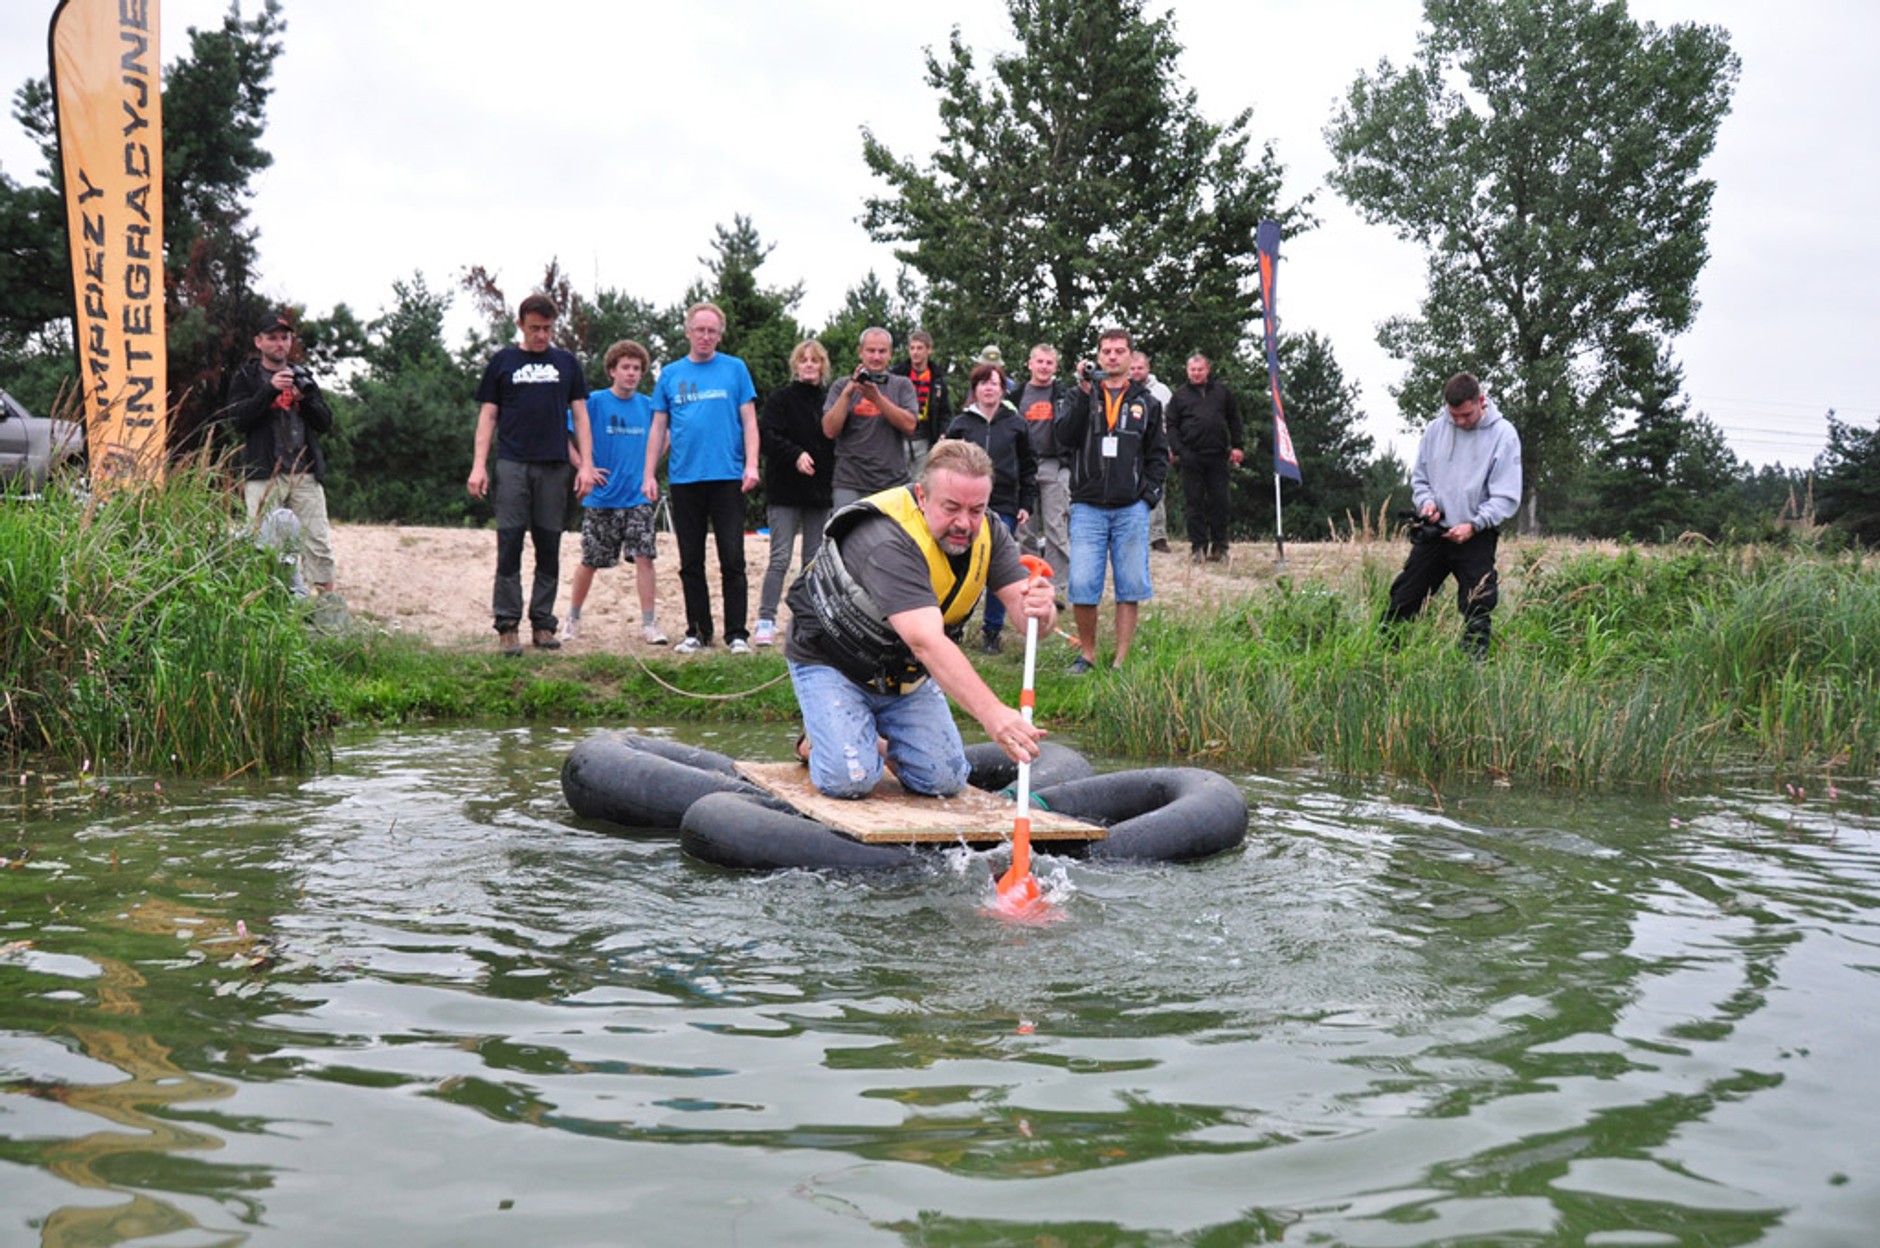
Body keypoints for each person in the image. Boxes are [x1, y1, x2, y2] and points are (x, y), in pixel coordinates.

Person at [783, 439, 1057, 800]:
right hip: (834, 662)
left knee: (945, 780)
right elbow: (925, 640)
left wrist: (1043, 608)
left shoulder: (991, 532)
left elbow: (1030, 622)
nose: (964, 523)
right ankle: (817, 740)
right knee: (850, 780)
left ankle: (871, 740)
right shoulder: (886, 539)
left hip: (902, 673)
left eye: (976, 509)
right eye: (951, 508)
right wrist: (994, 715)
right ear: (922, 497)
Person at [467, 294, 602, 656]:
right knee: (509, 543)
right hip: (512, 464)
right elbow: (488, 416)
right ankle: (507, 625)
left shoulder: (567, 363)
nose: (541, 335)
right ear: (520, 325)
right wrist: (479, 465)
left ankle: (543, 623)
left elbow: (581, 416)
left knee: (549, 546)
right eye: (535, 328)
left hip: (554, 466)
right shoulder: (503, 362)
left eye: (547, 329)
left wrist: (586, 465)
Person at [645, 301, 761, 655]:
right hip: (685, 478)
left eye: (712, 331)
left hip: (727, 476)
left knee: (732, 558)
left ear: (720, 335)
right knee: (690, 560)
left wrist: (752, 464)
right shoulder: (670, 374)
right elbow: (658, 427)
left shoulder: (735, 369)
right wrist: (648, 473)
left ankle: (737, 634)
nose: (705, 336)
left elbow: (749, 421)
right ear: (688, 332)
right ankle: (697, 631)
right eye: (700, 330)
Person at [1384, 372, 1523, 657]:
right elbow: (1420, 479)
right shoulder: (1435, 430)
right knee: (1404, 598)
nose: (1459, 421)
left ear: (1480, 401)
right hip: (1435, 533)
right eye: (1454, 415)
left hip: (1476, 534)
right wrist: (1427, 504)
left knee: (1478, 606)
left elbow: (1505, 495)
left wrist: (1474, 524)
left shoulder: (1503, 435)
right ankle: (1384, 657)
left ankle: (1473, 668)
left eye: (1466, 415)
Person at [1055, 327, 1168, 675]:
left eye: (1120, 351)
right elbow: (1063, 436)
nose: (1113, 356)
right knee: (1082, 583)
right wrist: (1083, 390)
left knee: (1129, 585)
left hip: (1130, 507)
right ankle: (1087, 655)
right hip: (1087, 505)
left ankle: (1121, 659)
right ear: (1098, 356)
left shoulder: (1146, 402)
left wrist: (1147, 497)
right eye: (1106, 351)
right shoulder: (1080, 395)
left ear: (1132, 357)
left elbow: (1158, 455)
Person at [563, 340, 667, 647]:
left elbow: (666, 434)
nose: (631, 373)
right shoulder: (594, 402)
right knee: (590, 560)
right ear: (612, 370)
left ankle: (649, 623)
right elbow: (563, 433)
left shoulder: (648, 406)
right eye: (625, 367)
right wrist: (583, 466)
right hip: (602, 496)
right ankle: (572, 618)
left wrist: (649, 468)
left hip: (638, 496)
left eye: (637, 368)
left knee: (645, 557)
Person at [225, 313, 337, 595]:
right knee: (263, 544)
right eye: (272, 338)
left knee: (318, 542)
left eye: (284, 338)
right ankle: (268, 604)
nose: (279, 343)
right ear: (258, 342)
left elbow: (325, 423)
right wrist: (269, 390)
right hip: (264, 473)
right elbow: (237, 420)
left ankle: (327, 607)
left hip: (305, 473)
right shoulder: (246, 378)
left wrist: (305, 399)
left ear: (290, 341)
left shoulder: (303, 376)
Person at [940, 361, 1038, 654]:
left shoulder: (1016, 424)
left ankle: (992, 630)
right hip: (964, 504)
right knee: (959, 565)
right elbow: (942, 463)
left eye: (994, 383)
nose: (988, 388)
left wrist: (1026, 503)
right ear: (975, 389)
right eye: (983, 383)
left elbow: (1028, 466)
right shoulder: (961, 423)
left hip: (1004, 503)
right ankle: (951, 623)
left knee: (996, 565)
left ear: (1002, 389)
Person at [755, 339, 836, 647]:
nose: (809, 365)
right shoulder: (780, 399)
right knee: (779, 558)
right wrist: (796, 454)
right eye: (804, 360)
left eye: (815, 360)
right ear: (796, 365)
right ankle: (766, 619)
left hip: (819, 492)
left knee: (813, 561)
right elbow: (768, 436)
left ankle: (806, 621)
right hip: (785, 490)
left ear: (823, 366)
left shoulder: (830, 401)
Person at [823, 327, 920, 509]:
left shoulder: (902, 385)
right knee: (847, 528)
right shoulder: (841, 386)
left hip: (892, 482)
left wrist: (877, 399)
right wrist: (847, 394)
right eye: (871, 351)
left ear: (890, 354)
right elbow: (829, 430)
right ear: (861, 352)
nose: (876, 357)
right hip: (850, 481)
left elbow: (910, 425)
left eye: (882, 351)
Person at [1164, 352, 1245, 562]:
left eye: (1200, 369)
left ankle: (1220, 546)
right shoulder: (1179, 396)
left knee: (1220, 502)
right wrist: (1178, 450)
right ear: (1187, 371)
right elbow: (1171, 425)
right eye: (1193, 370)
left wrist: (1238, 446)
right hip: (1191, 456)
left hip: (1218, 455)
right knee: (1194, 503)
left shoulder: (1222, 392)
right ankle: (1198, 547)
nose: (1197, 373)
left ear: (1207, 369)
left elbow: (1234, 419)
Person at [1015, 343, 1073, 580]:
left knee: (1056, 526)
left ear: (1055, 367)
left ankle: (1057, 582)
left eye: (1049, 363)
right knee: (1025, 527)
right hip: (1024, 465)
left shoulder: (1064, 395)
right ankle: (1029, 578)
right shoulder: (1016, 395)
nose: (1044, 367)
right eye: (1039, 361)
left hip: (1053, 463)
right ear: (1030, 364)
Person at [1130, 351, 1175, 553]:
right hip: (1130, 447)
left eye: (1140, 368)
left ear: (1148, 368)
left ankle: (1158, 536)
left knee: (1156, 489)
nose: (1136, 372)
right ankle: (1132, 535)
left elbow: (1171, 422)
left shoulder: (1162, 391)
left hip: (1156, 446)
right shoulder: (1122, 390)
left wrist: (1170, 447)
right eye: (1132, 368)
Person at [892, 329, 951, 480]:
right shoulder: (897, 374)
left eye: (919, 348)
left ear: (928, 350)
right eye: (912, 348)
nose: (915, 352)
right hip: (898, 438)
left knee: (921, 481)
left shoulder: (937, 380)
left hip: (925, 437)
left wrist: (943, 433)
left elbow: (944, 412)